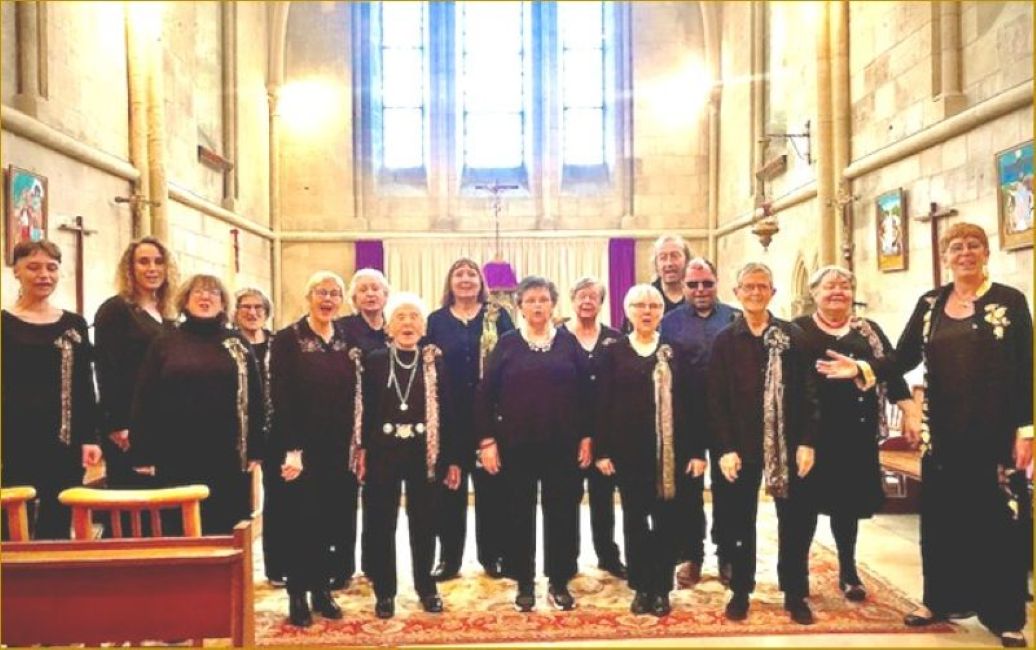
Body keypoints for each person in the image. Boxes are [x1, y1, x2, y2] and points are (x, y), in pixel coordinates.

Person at [896, 223, 1032, 648]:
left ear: (987, 252)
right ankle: (938, 600)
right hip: (944, 437)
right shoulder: (930, 303)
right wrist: (861, 370)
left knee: (999, 524)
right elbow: (900, 357)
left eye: (974, 245)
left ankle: (1005, 615)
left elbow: (1028, 368)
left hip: (995, 436)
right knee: (941, 521)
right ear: (946, 256)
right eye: (957, 247)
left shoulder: (1009, 301)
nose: (965, 252)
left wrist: (1027, 430)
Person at [708, 262, 820, 625]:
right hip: (740, 446)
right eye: (748, 287)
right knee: (739, 522)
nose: (755, 293)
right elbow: (717, 399)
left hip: (788, 445)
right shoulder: (725, 341)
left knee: (796, 521)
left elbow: (809, 392)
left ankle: (795, 592)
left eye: (762, 287)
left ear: (773, 293)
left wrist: (807, 441)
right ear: (737, 293)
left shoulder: (794, 336)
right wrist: (724, 448)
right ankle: (741, 590)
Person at [795, 266, 912, 601]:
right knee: (804, 504)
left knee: (846, 506)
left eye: (844, 286)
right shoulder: (799, 330)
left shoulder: (868, 331)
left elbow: (890, 367)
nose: (837, 291)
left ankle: (848, 570)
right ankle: (797, 574)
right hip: (810, 433)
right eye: (829, 286)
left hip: (855, 431)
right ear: (813, 293)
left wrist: (908, 408)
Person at [476, 276, 592, 612]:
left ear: (553, 304)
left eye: (543, 299)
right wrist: (487, 441)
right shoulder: (508, 344)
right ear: (520, 306)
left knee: (563, 513)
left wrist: (587, 437)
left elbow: (587, 395)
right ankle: (524, 580)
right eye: (530, 300)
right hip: (516, 446)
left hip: (563, 446)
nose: (538, 306)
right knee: (517, 513)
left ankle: (558, 579)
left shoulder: (569, 343)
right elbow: (485, 395)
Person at [595, 284, 704, 617]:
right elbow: (601, 404)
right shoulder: (613, 352)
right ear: (627, 311)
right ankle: (641, 587)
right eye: (639, 305)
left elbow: (694, 403)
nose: (646, 311)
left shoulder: (677, 351)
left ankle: (661, 589)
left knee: (666, 521)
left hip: (672, 454)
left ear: (661, 312)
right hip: (629, 454)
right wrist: (602, 451)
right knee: (634, 520)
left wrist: (698, 452)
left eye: (653, 306)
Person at [130, 274, 263, 535]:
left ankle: (224, 577)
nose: (206, 297)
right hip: (176, 450)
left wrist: (256, 447)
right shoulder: (165, 341)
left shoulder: (237, 343)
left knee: (225, 524)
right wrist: (143, 450)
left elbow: (256, 396)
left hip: (227, 451)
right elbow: (145, 396)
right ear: (185, 300)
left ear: (224, 303)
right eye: (198, 292)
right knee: (178, 523)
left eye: (213, 292)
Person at [357, 292, 460, 618]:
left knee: (425, 523)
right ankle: (385, 591)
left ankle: (426, 586)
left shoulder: (434, 361)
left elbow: (449, 411)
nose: (407, 323)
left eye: (414, 316)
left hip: (424, 453)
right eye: (400, 316)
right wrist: (360, 449)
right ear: (388, 326)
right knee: (381, 523)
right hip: (382, 452)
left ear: (424, 326)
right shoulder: (373, 360)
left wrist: (452, 457)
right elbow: (362, 411)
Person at [271, 271, 359, 627]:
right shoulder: (287, 339)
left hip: (338, 448)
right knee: (299, 521)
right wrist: (293, 449)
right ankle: (297, 593)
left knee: (330, 521)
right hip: (300, 447)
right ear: (308, 297)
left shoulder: (346, 338)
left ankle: (322, 590)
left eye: (335, 294)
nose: (328, 299)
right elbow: (282, 395)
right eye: (321, 293)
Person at [1, 241, 102, 539]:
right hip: (14, 439)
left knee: (57, 521)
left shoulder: (74, 324)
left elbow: (84, 383)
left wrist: (90, 438)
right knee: (11, 520)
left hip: (63, 440)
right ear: (16, 271)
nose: (44, 275)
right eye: (33, 267)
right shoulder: (4, 323)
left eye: (51, 267)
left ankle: (51, 585)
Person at [424, 258, 515, 581]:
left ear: (481, 282)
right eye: (458, 274)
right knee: (449, 491)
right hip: (449, 416)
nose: (465, 279)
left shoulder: (498, 316)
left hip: (489, 416)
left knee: (492, 490)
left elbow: (510, 361)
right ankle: (448, 559)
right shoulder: (435, 320)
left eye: (471, 274)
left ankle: (493, 556)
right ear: (449, 282)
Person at [660, 257, 741, 588]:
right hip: (686, 417)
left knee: (729, 490)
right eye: (693, 284)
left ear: (716, 283)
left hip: (728, 417)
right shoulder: (670, 321)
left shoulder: (734, 318)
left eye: (707, 283)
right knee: (687, 493)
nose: (700, 290)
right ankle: (690, 555)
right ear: (683, 286)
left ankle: (727, 555)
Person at [93, 237, 178, 493]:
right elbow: (106, 369)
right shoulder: (115, 310)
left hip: (163, 420)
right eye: (143, 262)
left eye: (158, 262)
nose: (152, 268)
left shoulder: (169, 312)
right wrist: (118, 424)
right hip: (128, 422)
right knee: (132, 499)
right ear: (130, 268)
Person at [562, 276, 625, 579]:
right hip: (566, 435)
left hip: (606, 433)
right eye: (581, 296)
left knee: (603, 499)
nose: (587, 301)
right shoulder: (558, 337)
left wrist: (599, 439)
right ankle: (567, 558)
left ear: (602, 302)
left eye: (593, 297)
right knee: (567, 499)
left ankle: (608, 555)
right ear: (572, 300)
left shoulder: (615, 338)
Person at [233, 287, 286, 586]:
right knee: (239, 503)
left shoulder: (279, 344)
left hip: (274, 430)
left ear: (267, 312)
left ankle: (277, 567)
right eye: (245, 307)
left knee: (277, 500)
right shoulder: (229, 343)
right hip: (239, 433)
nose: (252, 313)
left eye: (258, 308)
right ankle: (235, 568)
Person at [337, 268, 389, 353]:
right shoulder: (341, 328)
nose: (370, 294)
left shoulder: (394, 326)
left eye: (375, 289)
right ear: (354, 299)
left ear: (385, 295)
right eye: (363, 290)